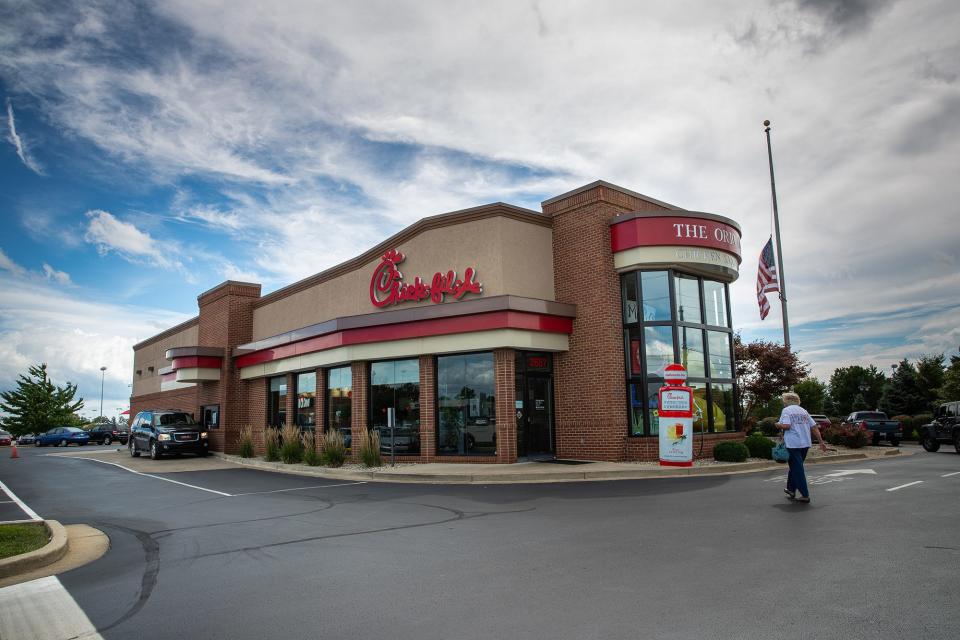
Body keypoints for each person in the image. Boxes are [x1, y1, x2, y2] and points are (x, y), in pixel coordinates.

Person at [776, 391, 827, 504]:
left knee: (797, 469)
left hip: (793, 444)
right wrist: (821, 442)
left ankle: (805, 495)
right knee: (795, 466)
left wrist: (777, 425)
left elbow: (787, 426)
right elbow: (814, 427)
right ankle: (791, 489)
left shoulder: (786, 411)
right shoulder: (804, 411)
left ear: (786, 401)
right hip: (805, 443)